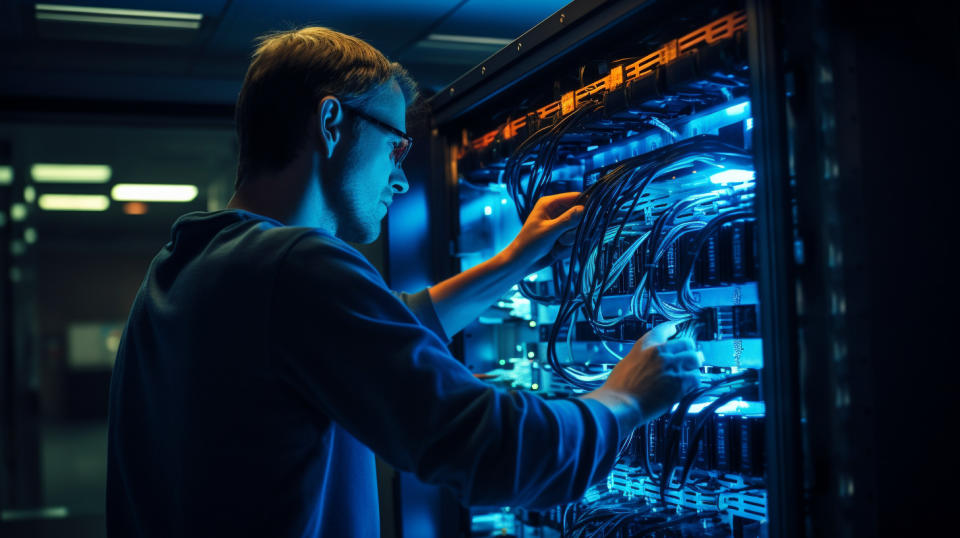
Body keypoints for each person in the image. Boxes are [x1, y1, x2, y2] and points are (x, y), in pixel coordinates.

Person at [106, 27, 702, 537]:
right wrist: (624, 400)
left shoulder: (187, 267)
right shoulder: (295, 264)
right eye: (395, 147)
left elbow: (377, 331)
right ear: (332, 122)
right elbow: (493, 451)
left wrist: (516, 259)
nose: (400, 179)